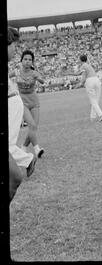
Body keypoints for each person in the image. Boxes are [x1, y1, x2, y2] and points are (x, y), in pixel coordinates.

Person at [8, 28, 37, 203]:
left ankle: (27, 159)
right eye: (12, 45)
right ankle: (27, 159)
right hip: (13, 101)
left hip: (12, 102)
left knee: (9, 144)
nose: (14, 50)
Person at [10, 50, 45, 158]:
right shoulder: (16, 72)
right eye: (25, 59)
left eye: (30, 60)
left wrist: (39, 78)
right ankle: (37, 149)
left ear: (32, 62)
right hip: (22, 102)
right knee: (32, 125)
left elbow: (42, 80)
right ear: (21, 60)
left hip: (34, 102)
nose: (27, 61)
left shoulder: (34, 73)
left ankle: (24, 147)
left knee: (34, 127)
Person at [73, 55, 102, 121]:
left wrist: (80, 84)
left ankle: (100, 115)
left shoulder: (83, 66)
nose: (78, 60)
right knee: (96, 100)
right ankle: (93, 117)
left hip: (90, 81)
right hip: (97, 80)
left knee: (93, 100)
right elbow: (78, 73)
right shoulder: (88, 65)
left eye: (78, 59)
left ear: (81, 60)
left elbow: (83, 76)